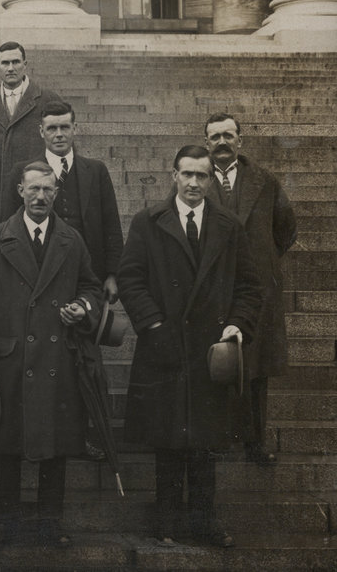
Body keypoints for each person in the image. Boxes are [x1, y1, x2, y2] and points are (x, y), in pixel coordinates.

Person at [118, 145, 261, 548]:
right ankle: (166, 519)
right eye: (187, 175)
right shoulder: (148, 222)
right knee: (167, 441)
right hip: (164, 346)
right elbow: (130, 279)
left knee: (205, 442)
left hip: (210, 349)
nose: (195, 183)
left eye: (202, 175)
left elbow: (250, 286)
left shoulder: (229, 225)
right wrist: (154, 323)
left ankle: (203, 520)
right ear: (174, 176)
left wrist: (236, 325)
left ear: (211, 178)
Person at [0, 161, 101, 549]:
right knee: (8, 447)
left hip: (56, 357)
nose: (40, 197)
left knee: (55, 447)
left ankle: (49, 522)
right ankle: (4, 522)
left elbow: (91, 287)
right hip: (11, 358)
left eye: (47, 190)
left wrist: (83, 307)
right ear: (19, 192)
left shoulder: (71, 240)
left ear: (56, 194)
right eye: (33, 189)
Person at [204, 113, 297, 464]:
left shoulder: (265, 180)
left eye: (229, 135)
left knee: (255, 369)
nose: (222, 143)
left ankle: (254, 442)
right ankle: (217, 436)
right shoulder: (196, 180)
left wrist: (260, 262)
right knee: (217, 362)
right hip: (212, 287)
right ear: (207, 143)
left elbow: (285, 229)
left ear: (240, 140)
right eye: (215, 137)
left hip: (255, 289)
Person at [2, 101, 123, 306]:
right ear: (41, 131)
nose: (59, 134)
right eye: (52, 128)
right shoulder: (22, 171)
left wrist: (113, 275)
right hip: (40, 270)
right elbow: (8, 224)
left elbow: (111, 224)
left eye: (65, 127)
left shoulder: (96, 170)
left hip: (87, 271)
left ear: (74, 128)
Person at [0, 41, 61, 250]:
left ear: (25, 64)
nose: (10, 68)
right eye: (5, 63)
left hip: (34, 189)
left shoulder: (47, 99)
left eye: (15, 62)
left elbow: (62, 143)